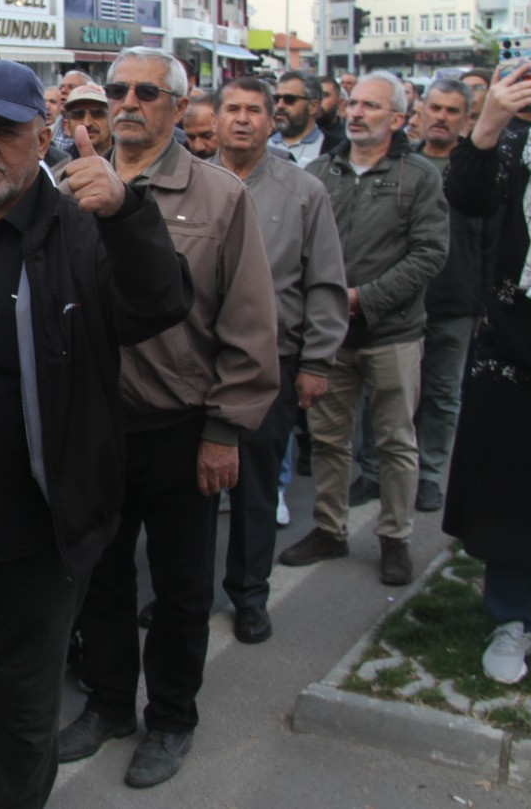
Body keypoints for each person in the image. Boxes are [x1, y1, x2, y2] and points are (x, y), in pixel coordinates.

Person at [0, 60, 190, 808]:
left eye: (6, 132)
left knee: (27, 720)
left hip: (39, 540)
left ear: (44, 134)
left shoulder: (84, 232)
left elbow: (161, 304)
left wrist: (126, 214)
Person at [64, 47, 278, 789]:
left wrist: (225, 429)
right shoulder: (72, 185)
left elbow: (249, 320)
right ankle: (109, 703)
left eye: (146, 93)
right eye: (116, 90)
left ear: (181, 107)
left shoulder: (219, 197)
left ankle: (172, 718)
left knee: (182, 589)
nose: (127, 103)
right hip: (97, 427)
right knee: (102, 578)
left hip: (182, 427)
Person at [442, 24, 531, 686]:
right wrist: (489, 122)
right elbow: (466, 197)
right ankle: (513, 618)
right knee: (515, 484)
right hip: (516, 348)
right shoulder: (518, 146)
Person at [279, 72, 449, 586]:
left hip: (393, 333)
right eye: (352, 103)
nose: (355, 113)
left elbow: (429, 254)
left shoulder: (418, 176)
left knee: (395, 441)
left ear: (397, 119)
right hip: (329, 337)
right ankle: (330, 529)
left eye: (370, 106)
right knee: (328, 439)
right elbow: (298, 245)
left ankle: (394, 537)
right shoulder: (320, 172)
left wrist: (363, 299)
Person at [211, 78, 348, 644]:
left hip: (270, 364)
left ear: (273, 122)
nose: (242, 119)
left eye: (254, 110)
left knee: (256, 489)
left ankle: (249, 596)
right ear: (215, 119)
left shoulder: (303, 192)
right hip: (195, 363)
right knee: (190, 495)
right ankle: (186, 595)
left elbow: (325, 281)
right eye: (232, 109)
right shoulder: (191, 183)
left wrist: (317, 362)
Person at [403, 79, 486, 514]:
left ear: (467, 119)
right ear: (420, 110)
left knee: (441, 392)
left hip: (456, 299)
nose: (441, 117)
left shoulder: (477, 168)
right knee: (395, 394)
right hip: (402, 299)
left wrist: (485, 302)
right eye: (435, 107)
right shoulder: (402, 161)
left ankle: (431, 475)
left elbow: (492, 239)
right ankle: (386, 473)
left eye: (452, 111)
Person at [273, 72, 329, 166]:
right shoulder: (261, 143)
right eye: (276, 99)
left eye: (289, 99)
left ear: (313, 106)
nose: (280, 105)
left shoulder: (332, 148)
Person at [60, 83, 113, 161]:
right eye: (78, 114)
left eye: (97, 113)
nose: (87, 123)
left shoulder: (130, 159)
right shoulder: (59, 164)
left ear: (113, 120)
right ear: (67, 126)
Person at [316, 76, 348, 151]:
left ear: (340, 102)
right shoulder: (294, 134)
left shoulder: (348, 138)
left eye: (324, 95)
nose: (317, 101)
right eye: (312, 95)